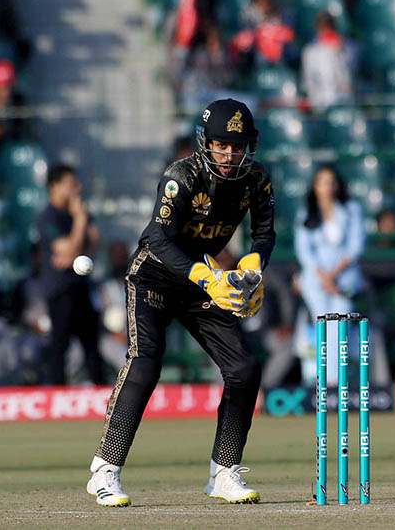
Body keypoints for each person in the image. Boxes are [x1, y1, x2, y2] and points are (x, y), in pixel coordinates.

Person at [86, 98, 275, 507]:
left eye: (237, 145)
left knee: (243, 368)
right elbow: (155, 238)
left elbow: (264, 233)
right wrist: (205, 274)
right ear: (205, 142)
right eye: (221, 144)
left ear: (249, 147)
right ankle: (105, 469)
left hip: (200, 283)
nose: (229, 154)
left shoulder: (256, 179)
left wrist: (253, 267)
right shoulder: (181, 176)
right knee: (146, 360)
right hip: (154, 275)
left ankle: (224, 472)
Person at [294, 165, 365, 384]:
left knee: (339, 326)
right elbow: (304, 250)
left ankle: (336, 380)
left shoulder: (351, 209)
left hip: (344, 278)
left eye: (332, 182)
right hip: (316, 279)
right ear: (315, 187)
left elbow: (356, 246)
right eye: (323, 182)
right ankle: (324, 379)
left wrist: (334, 274)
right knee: (322, 326)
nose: (328, 187)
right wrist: (323, 277)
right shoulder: (306, 213)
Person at [37, 164, 105, 386]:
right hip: (60, 291)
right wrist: (80, 221)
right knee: (60, 346)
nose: (77, 188)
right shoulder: (49, 217)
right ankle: (57, 394)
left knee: (92, 346)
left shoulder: (79, 212)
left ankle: (104, 396)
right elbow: (67, 249)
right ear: (54, 186)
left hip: (81, 287)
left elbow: (93, 245)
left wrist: (75, 250)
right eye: (70, 184)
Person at [301, 11, 355, 111]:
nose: (325, 31)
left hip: (343, 102)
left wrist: (339, 51)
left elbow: (349, 75)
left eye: (328, 26)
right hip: (320, 103)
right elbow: (308, 82)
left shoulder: (347, 47)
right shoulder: (310, 51)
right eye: (322, 27)